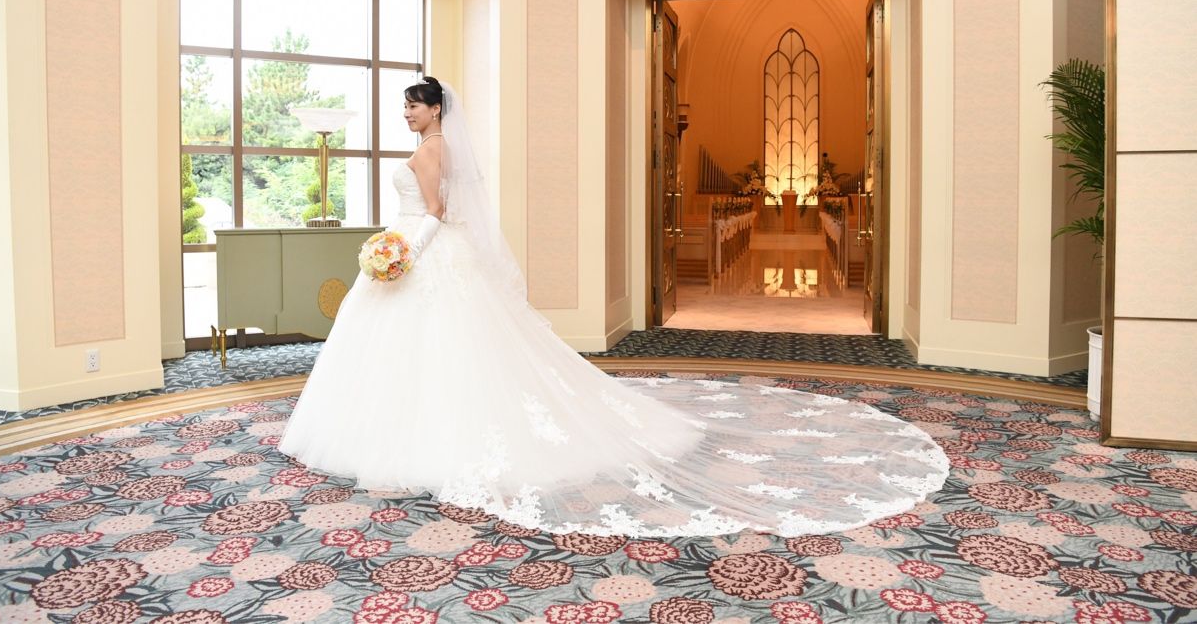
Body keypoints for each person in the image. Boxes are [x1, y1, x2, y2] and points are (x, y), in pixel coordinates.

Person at [279, 77, 948, 537]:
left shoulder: (431, 150)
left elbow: (433, 211)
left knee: (436, 345)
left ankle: (417, 435)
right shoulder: (440, 146)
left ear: (434, 110)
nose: (406, 114)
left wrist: (400, 252)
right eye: (404, 107)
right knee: (443, 348)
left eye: (412, 106)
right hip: (422, 250)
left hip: (421, 250)